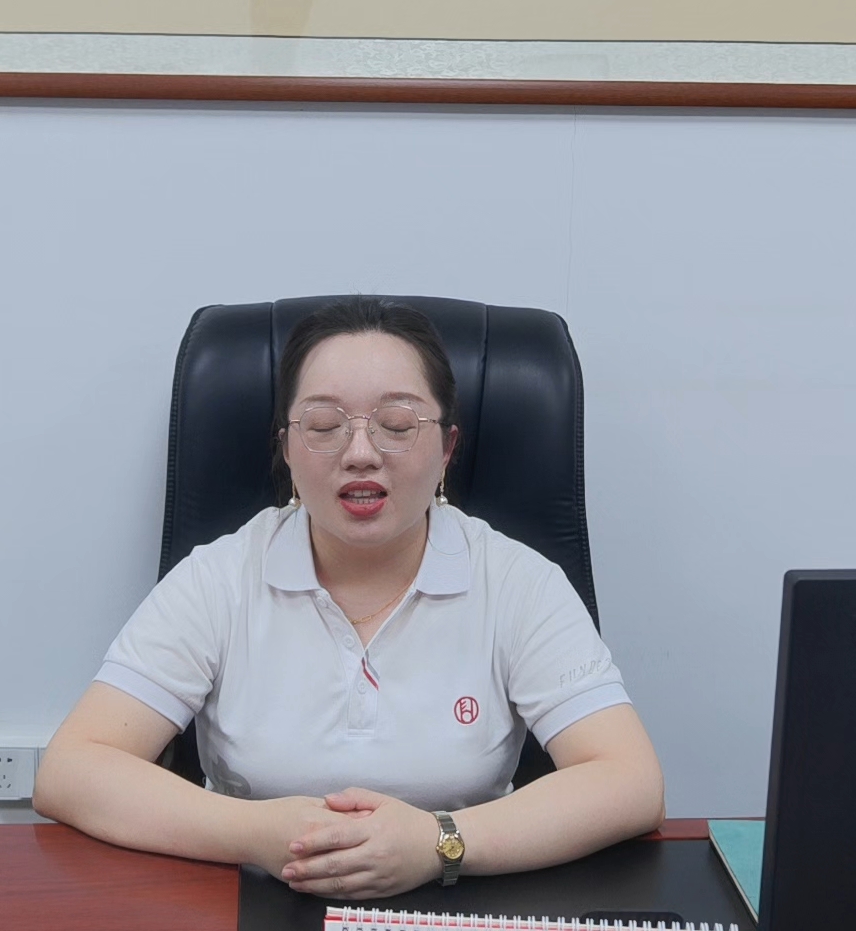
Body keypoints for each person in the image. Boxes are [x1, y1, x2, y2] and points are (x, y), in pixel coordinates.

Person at [33, 297, 665, 900]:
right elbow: (73, 769)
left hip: (464, 897)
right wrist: (257, 832)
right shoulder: (220, 578)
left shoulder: (518, 583)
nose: (360, 454)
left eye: (397, 425)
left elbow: (629, 780)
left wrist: (439, 842)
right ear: (286, 447)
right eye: (324, 426)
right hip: (251, 901)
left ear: (448, 448)